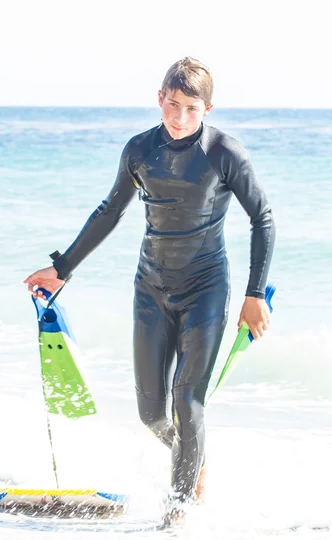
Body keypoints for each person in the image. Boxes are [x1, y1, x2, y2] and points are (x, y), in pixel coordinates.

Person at [24, 57, 276, 525]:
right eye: (173, 105)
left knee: (187, 402)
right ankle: (193, 459)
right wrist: (63, 268)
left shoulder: (225, 152)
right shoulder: (140, 150)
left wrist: (254, 293)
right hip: (151, 289)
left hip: (206, 288)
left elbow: (262, 217)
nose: (180, 118)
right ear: (160, 98)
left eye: (191, 109)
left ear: (208, 108)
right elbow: (109, 211)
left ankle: (176, 517)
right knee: (151, 414)